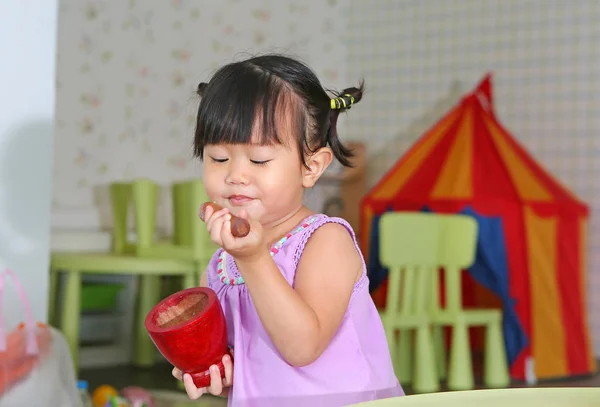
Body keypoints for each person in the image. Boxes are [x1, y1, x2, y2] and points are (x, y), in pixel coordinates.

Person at [172, 54, 404, 406]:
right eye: (218, 157)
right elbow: (245, 361)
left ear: (311, 167)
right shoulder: (222, 263)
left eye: (259, 160)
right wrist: (210, 366)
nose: (236, 174)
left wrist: (252, 259)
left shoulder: (325, 240)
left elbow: (302, 347)